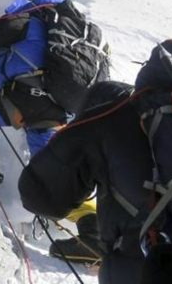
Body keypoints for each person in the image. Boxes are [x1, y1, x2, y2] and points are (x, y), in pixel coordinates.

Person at [0, 0, 103, 262]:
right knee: (56, 175)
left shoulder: (29, 22)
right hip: (55, 110)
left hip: (22, 99)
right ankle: (93, 237)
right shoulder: (67, 41)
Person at [18, 81, 151, 282]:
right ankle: (91, 233)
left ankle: (92, 235)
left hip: (137, 264)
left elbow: (41, 194)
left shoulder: (107, 117)